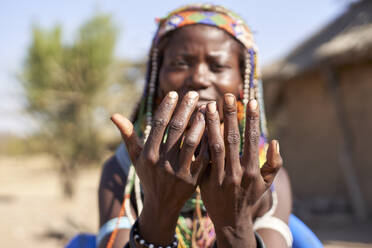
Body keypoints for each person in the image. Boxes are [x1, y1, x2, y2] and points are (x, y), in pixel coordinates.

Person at [98, 4, 293, 248]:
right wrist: (159, 205)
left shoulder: (262, 174)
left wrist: (234, 222)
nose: (199, 78)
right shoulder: (125, 170)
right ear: (157, 80)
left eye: (218, 66)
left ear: (243, 83)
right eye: (181, 63)